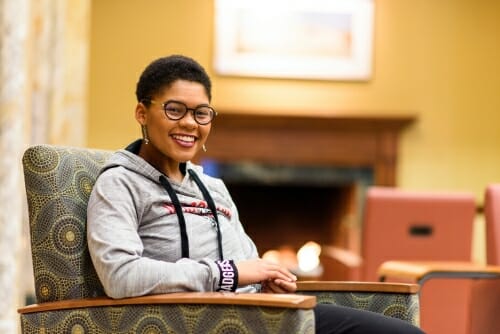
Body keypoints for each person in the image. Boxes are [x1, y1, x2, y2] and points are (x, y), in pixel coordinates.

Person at [87, 54, 424, 334]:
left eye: (201, 113)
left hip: (258, 315)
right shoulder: (120, 183)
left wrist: (264, 283)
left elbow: (247, 260)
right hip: (196, 323)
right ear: (142, 113)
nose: (191, 123)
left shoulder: (213, 187)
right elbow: (120, 275)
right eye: (175, 109)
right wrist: (227, 274)